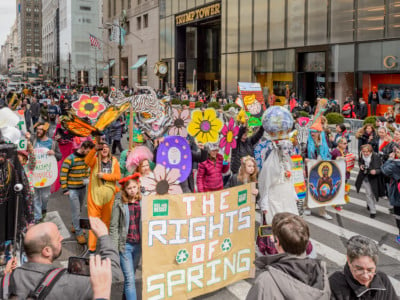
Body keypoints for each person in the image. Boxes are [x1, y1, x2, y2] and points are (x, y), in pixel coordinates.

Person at [2, 217, 123, 300]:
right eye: (57, 237)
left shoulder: (6, 280)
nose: (61, 238)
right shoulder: (69, 281)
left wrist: (8, 277)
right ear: (47, 251)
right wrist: (103, 236)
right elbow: (114, 276)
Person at [246, 212, 331, 300]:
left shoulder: (265, 280)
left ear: (277, 241)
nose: (271, 237)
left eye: (273, 235)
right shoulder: (321, 274)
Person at [329, 235, 397, 299]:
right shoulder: (335, 284)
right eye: (359, 269)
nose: (365, 276)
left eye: (370, 270)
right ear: (349, 260)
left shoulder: (383, 280)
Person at [110, 173, 142, 300]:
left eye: (134, 187)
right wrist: (113, 249)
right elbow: (113, 227)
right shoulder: (119, 203)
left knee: (131, 275)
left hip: (138, 245)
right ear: (125, 190)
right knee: (129, 279)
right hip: (125, 246)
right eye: (129, 188)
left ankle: (125, 297)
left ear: (138, 186)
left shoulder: (143, 200)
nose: (132, 190)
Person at [85, 142, 121, 252]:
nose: (104, 150)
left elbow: (117, 176)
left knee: (106, 223)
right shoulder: (95, 160)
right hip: (95, 198)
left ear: (109, 149)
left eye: (106, 147)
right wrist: (94, 150)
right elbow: (87, 161)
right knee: (94, 223)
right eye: (102, 148)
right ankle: (91, 249)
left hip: (109, 198)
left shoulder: (114, 161)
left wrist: (104, 176)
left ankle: (104, 247)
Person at [60, 140, 95, 245]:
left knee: (79, 209)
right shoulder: (70, 159)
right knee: (76, 211)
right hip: (72, 189)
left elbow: (86, 170)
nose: (89, 154)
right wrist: (65, 189)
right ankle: (79, 232)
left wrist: (87, 177)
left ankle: (74, 225)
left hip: (82, 187)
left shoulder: (86, 158)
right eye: (88, 151)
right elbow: (63, 173)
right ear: (83, 148)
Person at [31, 122, 62, 223]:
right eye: (37, 129)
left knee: (45, 196)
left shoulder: (52, 143)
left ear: (45, 131)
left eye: (40, 129)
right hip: (35, 173)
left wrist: (54, 153)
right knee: (35, 196)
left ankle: (43, 208)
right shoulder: (33, 140)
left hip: (46, 175)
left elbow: (59, 156)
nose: (38, 131)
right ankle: (37, 216)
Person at [355, 144, 385, 218]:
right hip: (365, 176)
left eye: (367, 152)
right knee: (368, 193)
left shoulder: (376, 157)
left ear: (370, 151)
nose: (365, 153)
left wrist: (375, 171)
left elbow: (381, 169)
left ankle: (369, 203)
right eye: (363, 151)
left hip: (374, 178)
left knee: (373, 193)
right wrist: (361, 165)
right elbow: (360, 162)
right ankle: (373, 210)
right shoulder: (361, 155)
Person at [381, 146, 400, 244]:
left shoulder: (395, 164)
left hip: (397, 194)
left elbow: (384, 170)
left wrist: (390, 159)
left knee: (398, 215)